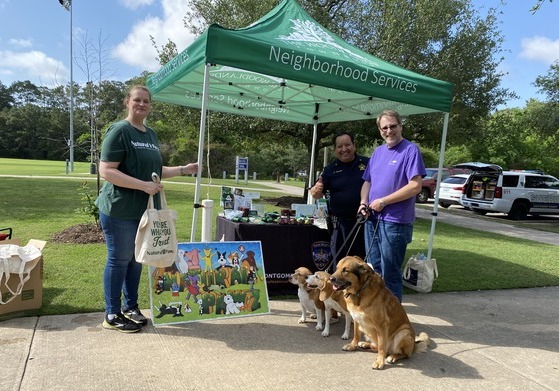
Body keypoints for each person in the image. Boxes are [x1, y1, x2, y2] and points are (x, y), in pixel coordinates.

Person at [95, 85, 198, 333]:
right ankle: (111, 314)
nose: (142, 104)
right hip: (119, 209)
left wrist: (184, 169)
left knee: (137, 260)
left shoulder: (150, 134)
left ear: (151, 105)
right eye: (137, 100)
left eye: (146, 101)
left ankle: (131, 307)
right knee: (119, 259)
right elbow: (107, 170)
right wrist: (142, 186)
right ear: (127, 102)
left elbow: (155, 171)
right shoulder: (119, 131)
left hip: (143, 212)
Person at [359, 109, 426, 302]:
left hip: (395, 222)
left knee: (390, 274)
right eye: (384, 127)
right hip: (371, 219)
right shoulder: (378, 152)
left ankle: (392, 321)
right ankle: (376, 315)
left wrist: (383, 201)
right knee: (373, 270)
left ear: (400, 126)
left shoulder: (410, 150)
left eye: (392, 126)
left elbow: (415, 186)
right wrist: (364, 202)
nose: (389, 131)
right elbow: (367, 182)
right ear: (380, 130)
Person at [310, 131, 369, 265]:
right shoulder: (330, 169)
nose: (344, 149)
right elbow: (317, 193)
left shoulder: (368, 163)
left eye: (347, 145)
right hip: (339, 224)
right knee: (340, 262)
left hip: (364, 223)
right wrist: (315, 191)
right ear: (334, 149)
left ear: (354, 145)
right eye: (339, 146)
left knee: (362, 263)